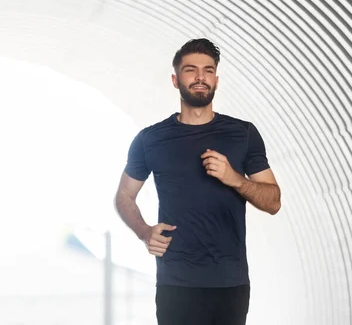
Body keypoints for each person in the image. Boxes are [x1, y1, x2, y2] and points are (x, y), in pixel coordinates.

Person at [114, 38, 281, 325]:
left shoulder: (243, 133)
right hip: (175, 283)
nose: (200, 77)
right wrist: (143, 232)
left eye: (208, 70)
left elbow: (274, 202)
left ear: (216, 79)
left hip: (229, 283)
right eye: (191, 70)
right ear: (175, 80)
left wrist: (235, 179)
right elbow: (124, 196)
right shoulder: (150, 139)